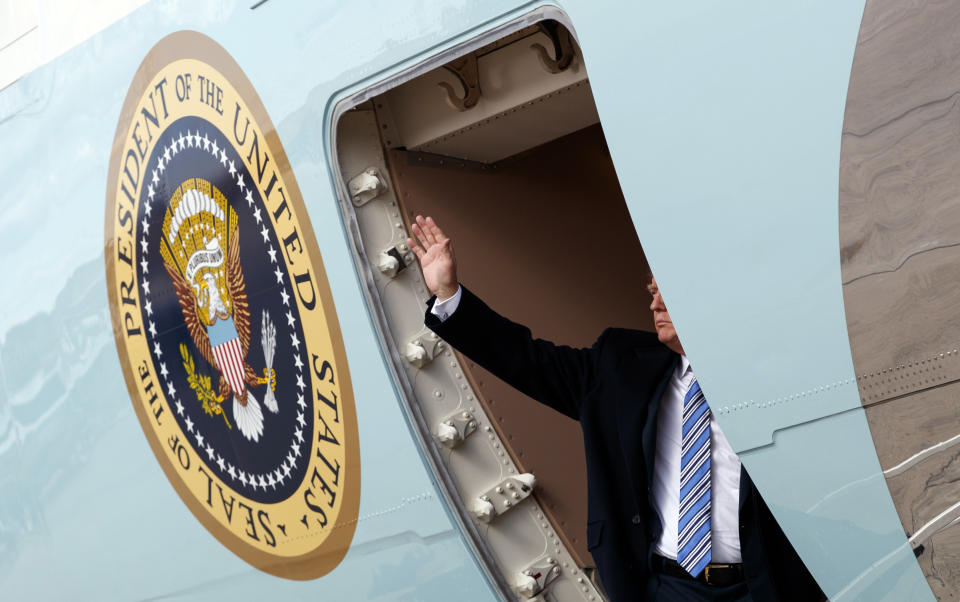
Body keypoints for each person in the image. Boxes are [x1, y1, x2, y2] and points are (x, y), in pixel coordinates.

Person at [407, 215, 825, 602]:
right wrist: (447, 293)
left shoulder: (771, 373)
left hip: (766, 586)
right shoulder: (620, 367)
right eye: (651, 292)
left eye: (667, 292)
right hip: (669, 587)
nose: (654, 305)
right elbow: (527, 360)